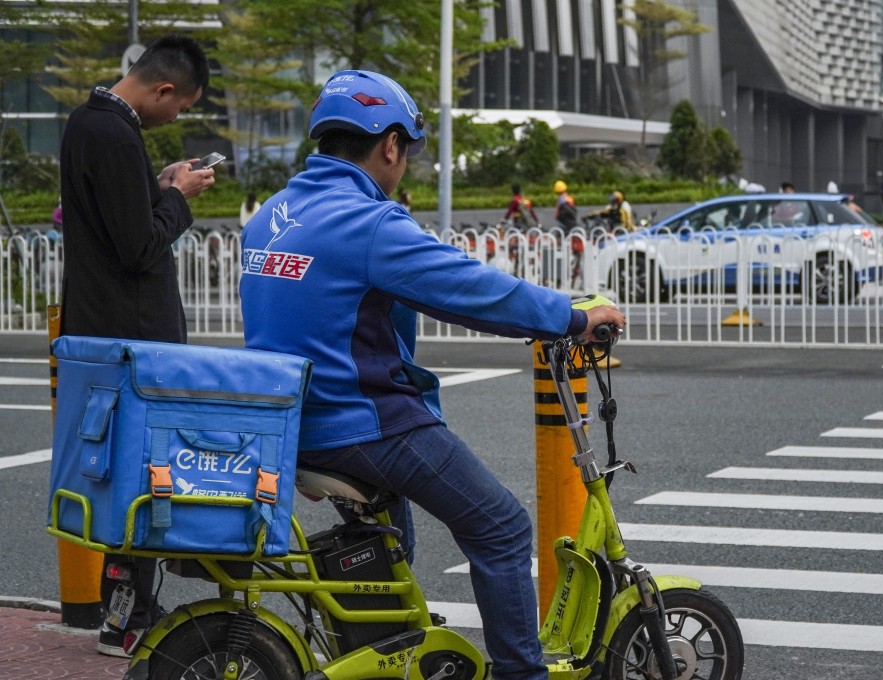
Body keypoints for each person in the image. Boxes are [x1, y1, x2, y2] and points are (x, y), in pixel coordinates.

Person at [239, 69, 625, 680]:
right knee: (500, 526)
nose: (405, 165)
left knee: (394, 543)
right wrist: (569, 318)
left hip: (293, 423)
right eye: (407, 151)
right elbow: (470, 289)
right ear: (389, 144)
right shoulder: (368, 223)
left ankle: (385, 652)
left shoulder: (271, 217)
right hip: (364, 423)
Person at [58, 34, 215, 657]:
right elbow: (139, 246)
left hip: (101, 327)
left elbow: (108, 214)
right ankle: (127, 620)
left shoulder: (85, 122)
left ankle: (121, 615)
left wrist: (157, 184)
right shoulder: (118, 133)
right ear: (162, 88)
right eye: (180, 107)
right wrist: (178, 198)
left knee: (120, 477)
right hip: (135, 339)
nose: (176, 118)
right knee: (145, 479)